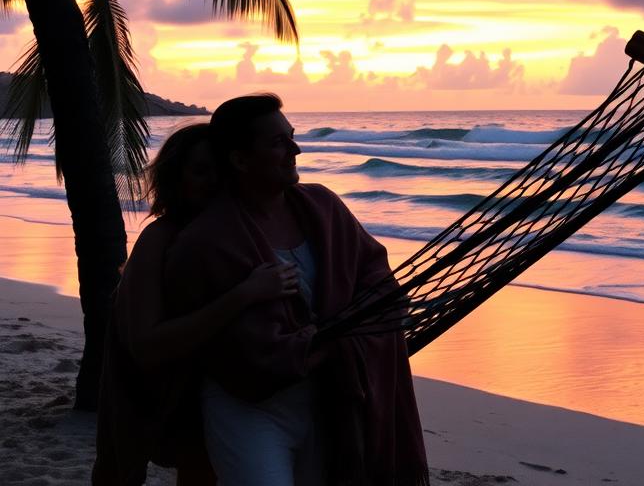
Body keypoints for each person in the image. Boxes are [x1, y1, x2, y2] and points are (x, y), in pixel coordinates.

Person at [163, 94, 429, 486]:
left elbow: (375, 275)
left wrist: (335, 340)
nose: (296, 149)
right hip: (249, 408)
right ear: (239, 160)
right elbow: (218, 346)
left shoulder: (323, 206)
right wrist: (327, 341)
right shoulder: (204, 242)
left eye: (292, 136)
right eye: (278, 143)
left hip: (330, 400)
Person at [93, 122, 300, 485]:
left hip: (217, 384)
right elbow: (145, 345)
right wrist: (246, 294)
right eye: (201, 171)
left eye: (220, 171)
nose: (214, 182)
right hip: (157, 385)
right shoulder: (159, 239)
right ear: (177, 178)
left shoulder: (245, 233)